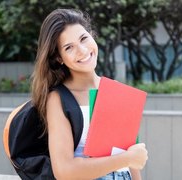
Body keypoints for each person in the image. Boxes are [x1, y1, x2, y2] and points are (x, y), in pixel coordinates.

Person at [31, 8, 148, 180]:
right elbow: (64, 171)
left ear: (92, 36)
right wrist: (127, 158)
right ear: (59, 58)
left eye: (84, 39)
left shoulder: (116, 89)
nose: (83, 50)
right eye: (69, 47)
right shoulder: (58, 99)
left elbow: (131, 157)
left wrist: (131, 159)